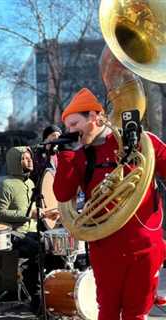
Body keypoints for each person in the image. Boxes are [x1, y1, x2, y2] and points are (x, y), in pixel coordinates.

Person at [53, 88, 166, 320]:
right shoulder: (79, 154)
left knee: (136, 314)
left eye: (74, 125)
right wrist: (66, 156)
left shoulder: (139, 140)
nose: (70, 132)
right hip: (105, 248)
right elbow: (63, 195)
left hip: (144, 246)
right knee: (108, 312)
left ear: (94, 117)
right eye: (67, 127)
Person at [0, 146, 60, 313]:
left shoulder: (31, 182)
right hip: (13, 235)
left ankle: (53, 294)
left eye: (30, 157)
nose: (29, 160)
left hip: (32, 232)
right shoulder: (5, 185)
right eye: (24, 158)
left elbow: (37, 213)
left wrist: (48, 215)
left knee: (56, 249)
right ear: (15, 161)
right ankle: (37, 299)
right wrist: (30, 214)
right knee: (38, 249)